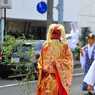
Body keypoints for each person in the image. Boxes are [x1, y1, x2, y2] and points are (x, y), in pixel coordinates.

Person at [36, 24, 74, 95]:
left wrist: (57, 62)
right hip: (46, 80)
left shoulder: (64, 46)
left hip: (57, 80)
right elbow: (40, 61)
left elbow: (69, 61)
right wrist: (39, 68)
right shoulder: (46, 45)